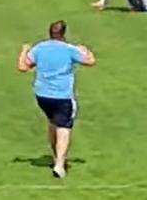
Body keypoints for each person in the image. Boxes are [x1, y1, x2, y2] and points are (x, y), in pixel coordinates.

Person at [18, 20, 96, 179]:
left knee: (53, 123)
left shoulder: (40, 48)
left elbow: (23, 67)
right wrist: (86, 50)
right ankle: (60, 164)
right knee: (64, 128)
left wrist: (24, 51)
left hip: (42, 95)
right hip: (62, 96)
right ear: (64, 33)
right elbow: (90, 62)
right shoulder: (69, 49)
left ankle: (56, 158)